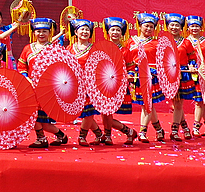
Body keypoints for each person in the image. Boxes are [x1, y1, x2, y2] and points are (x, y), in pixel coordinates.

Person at [17, 17, 69, 148]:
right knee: (31, 115)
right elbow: (22, 66)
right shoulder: (27, 49)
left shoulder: (55, 49)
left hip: (47, 90)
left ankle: (60, 135)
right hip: (30, 88)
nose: (41, 34)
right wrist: (27, 78)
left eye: (44, 31)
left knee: (43, 121)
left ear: (50, 33)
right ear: (33, 33)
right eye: (38, 31)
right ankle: (42, 138)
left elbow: (60, 69)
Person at [98, 17, 138, 146]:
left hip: (118, 84)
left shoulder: (126, 51)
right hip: (103, 84)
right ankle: (127, 132)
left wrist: (130, 75)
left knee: (108, 111)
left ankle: (110, 135)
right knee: (104, 112)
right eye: (112, 30)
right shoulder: (102, 47)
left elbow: (131, 67)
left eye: (118, 30)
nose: (115, 32)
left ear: (122, 33)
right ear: (108, 32)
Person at [127, 13, 166, 143]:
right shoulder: (131, 41)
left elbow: (162, 61)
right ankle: (159, 129)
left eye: (151, 27)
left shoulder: (157, 43)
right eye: (146, 26)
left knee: (147, 104)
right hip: (137, 76)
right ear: (140, 26)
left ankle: (142, 132)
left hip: (151, 76)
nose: (148, 29)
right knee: (147, 104)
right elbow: (128, 59)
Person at [68, 18, 102, 146]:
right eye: (82, 29)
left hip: (91, 85)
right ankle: (99, 134)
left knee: (89, 111)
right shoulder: (70, 48)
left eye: (87, 29)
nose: (85, 32)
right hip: (75, 84)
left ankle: (82, 136)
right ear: (76, 32)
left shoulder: (95, 48)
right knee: (83, 111)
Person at [182, 15, 205, 136]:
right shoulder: (185, 42)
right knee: (200, 102)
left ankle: (196, 127)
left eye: (197, 26)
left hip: (203, 74)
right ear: (188, 27)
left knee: (199, 101)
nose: (194, 28)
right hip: (188, 74)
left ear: (201, 27)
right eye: (192, 26)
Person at [164, 13, 194, 141]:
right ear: (167, 26)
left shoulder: (186, 42)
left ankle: (174, 130)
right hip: (170, 75)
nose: (174, 27)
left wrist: (192, 66)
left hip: (183, 74)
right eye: (172, 25)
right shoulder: (163, 42)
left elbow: (192, 58)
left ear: (181, 28)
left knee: (178, 104)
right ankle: (185, 128)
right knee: (176, 104)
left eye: (177, 25)